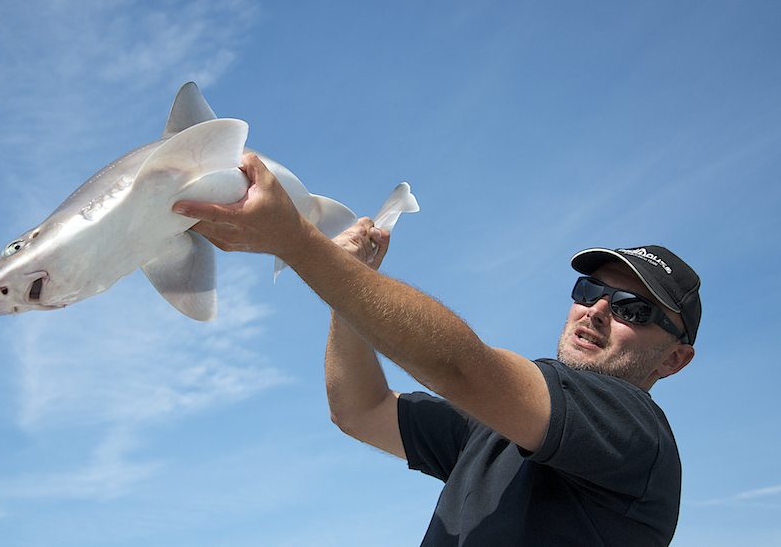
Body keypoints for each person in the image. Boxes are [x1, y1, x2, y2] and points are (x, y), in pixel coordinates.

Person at [172, 154, 701, 546]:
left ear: (674, 359)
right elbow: (361, 411)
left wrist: (295, 240)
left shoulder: (636, 436)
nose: (598, 310)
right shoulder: (495, 433)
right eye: (589, 292)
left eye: (633, 310)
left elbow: (460, 368)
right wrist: (350, 285)